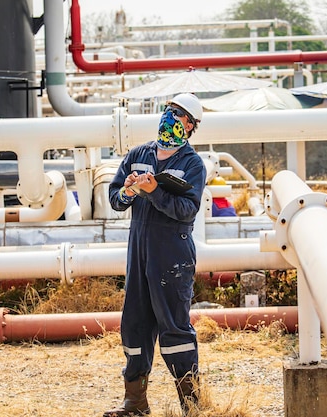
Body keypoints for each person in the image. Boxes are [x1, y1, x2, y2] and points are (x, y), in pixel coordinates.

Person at [105, 93, 207, 417]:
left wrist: (155, 192)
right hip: (139, 254)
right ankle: (134, 402)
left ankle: (192, 406)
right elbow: (115, 198)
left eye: (180, 115)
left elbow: (187, 210)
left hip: (172, 256)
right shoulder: (137, 155)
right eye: (170, 110)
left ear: (190, 127)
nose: (171, 117)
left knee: (175, 331)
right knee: (134, 325)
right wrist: (130, 190)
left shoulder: (192, 165)